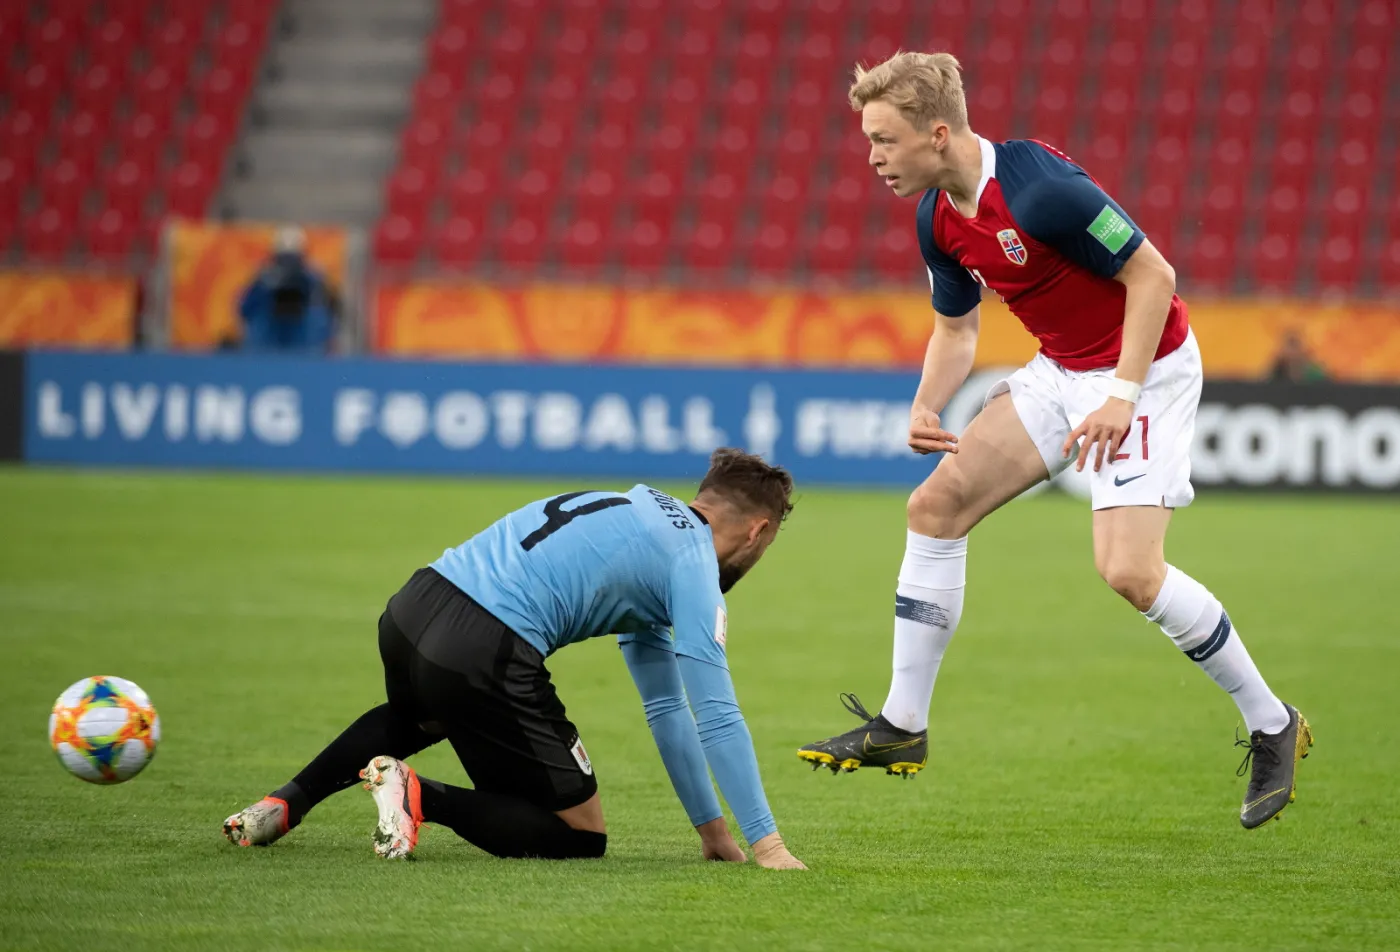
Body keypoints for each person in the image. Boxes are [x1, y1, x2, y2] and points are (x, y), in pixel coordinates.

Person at [796, 52, 1312, 829]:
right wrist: (926, 403)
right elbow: (956, 326)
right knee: (934, 508)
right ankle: (903, 727)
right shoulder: (938, 214)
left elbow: (1156, 278)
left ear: (938, 134)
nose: (872, 158)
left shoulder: (1041, 193)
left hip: (1148, 368)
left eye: (884, 140)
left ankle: (1273, 722)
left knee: (1130, 572)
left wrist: (1121, 395)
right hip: (1061, 370)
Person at [224, 448, 806, 868]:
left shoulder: (637, 510)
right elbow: (716, 714)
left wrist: (713, 834)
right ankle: (418, 793)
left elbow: (665, 706)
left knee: (422, 715)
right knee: (579, 835)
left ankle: (283, 803)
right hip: (483, 645)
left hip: (413, 606)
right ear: (757, 533)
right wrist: (767, 844)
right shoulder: (694, 562)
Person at [234, 226, 337, 354]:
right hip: (266, 347)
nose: (288, 265)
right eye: (284, 259)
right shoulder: (263, 280)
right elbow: (244, 310)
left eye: (292, 259)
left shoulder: (313, 281)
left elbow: (330, 317)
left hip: (305, 348)